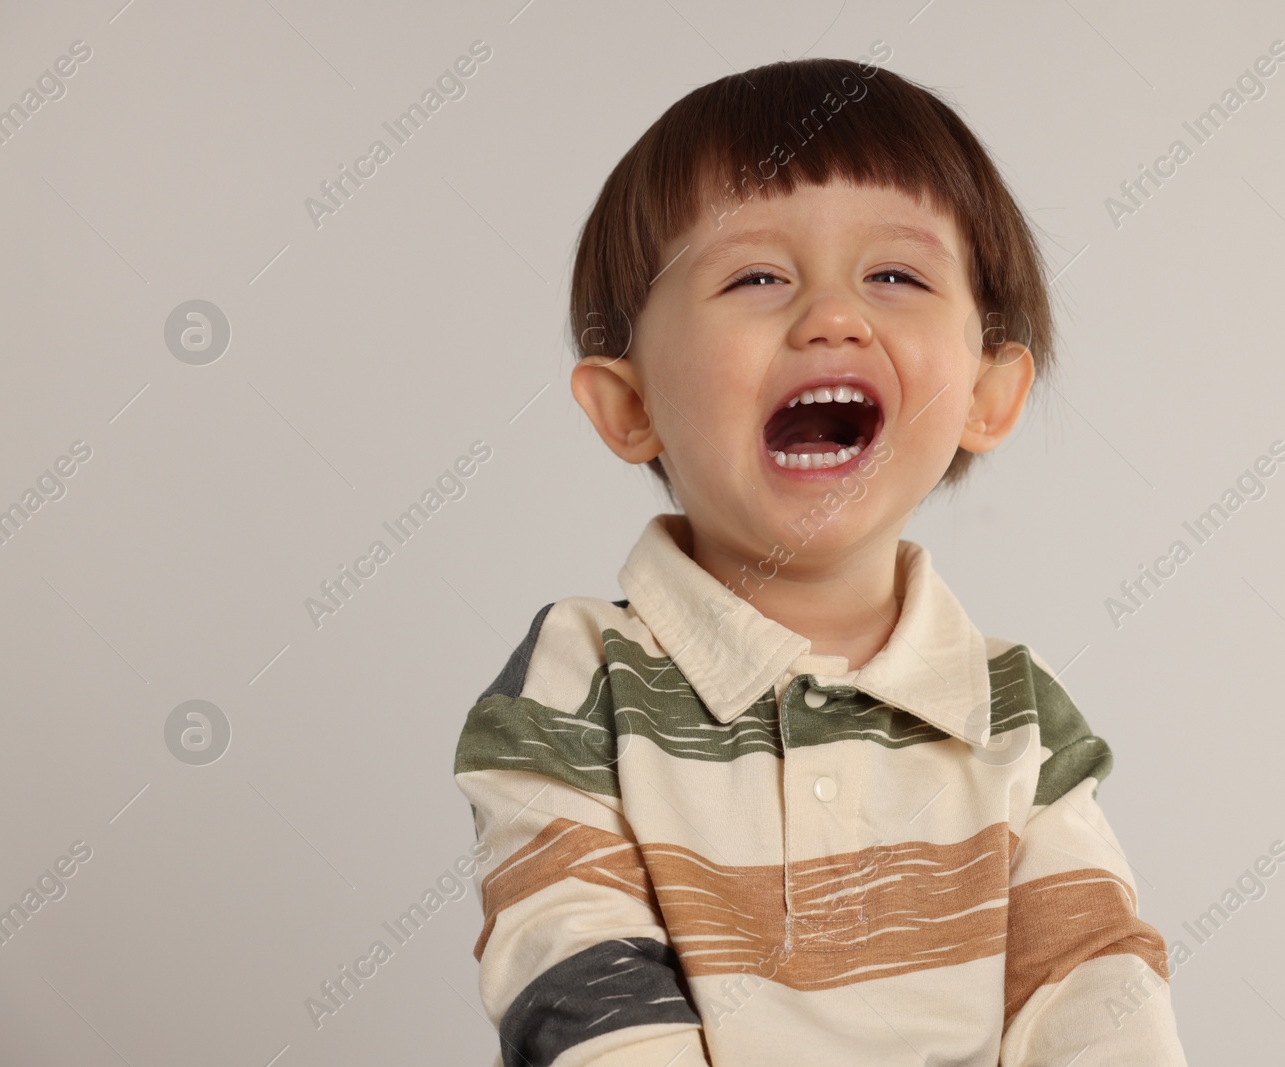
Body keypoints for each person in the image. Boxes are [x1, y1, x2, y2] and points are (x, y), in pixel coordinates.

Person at [453, 51, 1188, 1067]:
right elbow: (575, 973)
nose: (832, 316)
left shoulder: (1013, 707)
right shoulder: (583, 683)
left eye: (895, 275)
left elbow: (1092, 981)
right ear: (630, 406)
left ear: (987, 392)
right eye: (755, 276)